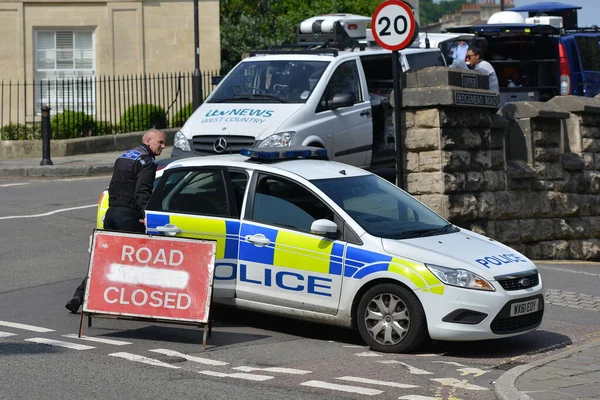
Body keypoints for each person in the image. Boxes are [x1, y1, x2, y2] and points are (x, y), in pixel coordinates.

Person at [65, 128, 167, 313]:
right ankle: (133, 302)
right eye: (160, 142)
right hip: (129, 216)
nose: (163, 146)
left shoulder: (124, 157)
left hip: (112, 214)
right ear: (148, 140)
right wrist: (147, 216)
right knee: (138, 260)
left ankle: (79, 295)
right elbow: (142, 192)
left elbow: (113, 186)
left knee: (103, 259)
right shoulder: (147, 162)